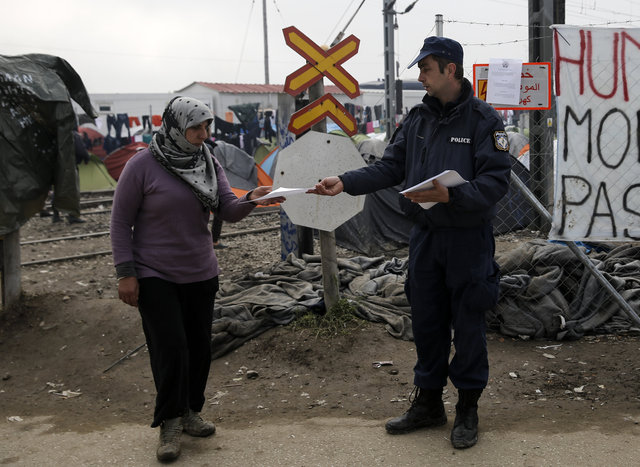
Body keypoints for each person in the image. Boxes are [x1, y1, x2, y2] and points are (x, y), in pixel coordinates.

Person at [309, 36, 512, 449]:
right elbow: (390, 167)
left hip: (467, 241)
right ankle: (429, 404)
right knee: (427, 322)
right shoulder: (417, 120)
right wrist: (344, 182)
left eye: (426, 69)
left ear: (450, 70)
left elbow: (496, 182)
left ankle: (468, 408)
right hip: (424, 239)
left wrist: (452, 195)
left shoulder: (484, 121)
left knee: (468, 323)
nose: (420, 76)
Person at [110, 96, 284, 462]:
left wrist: (253, 197)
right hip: (154, 273)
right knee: (170, 347)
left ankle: (191, 411)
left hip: (200, 271)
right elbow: (119, 222)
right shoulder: (141, 165)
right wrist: (126, 273)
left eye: (207, 127)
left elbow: (227, 209)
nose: (203, 135)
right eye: (195, 128)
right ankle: (169, 421)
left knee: (199, 348)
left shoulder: (208, 161)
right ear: (175, 128)